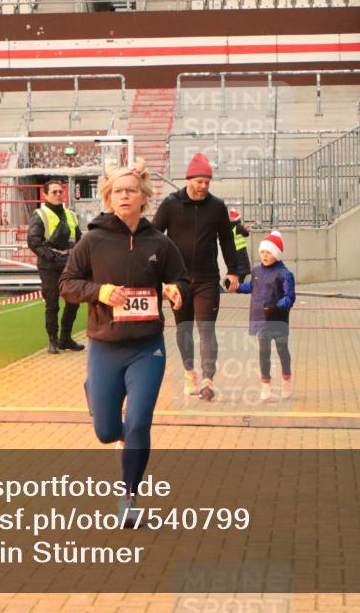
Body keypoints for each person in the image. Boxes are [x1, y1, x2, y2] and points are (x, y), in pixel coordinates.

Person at [60, 160, 189, 527]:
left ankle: (129, 497)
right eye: (117, 191)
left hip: (147, 348)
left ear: (143, 197)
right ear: (108, 197)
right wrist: (99, 291)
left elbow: (181, 279)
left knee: (137, 424)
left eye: (131, 190)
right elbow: (67, 284)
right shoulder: (92, 241)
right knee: (106, 431)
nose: (124, 196)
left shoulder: (159, 243)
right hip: (105, 345)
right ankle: (98, 395)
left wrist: (175, 291)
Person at [151, 153, 239, 401]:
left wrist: (233, 271)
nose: (203, 186)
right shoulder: (171, 204)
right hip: (178, 281)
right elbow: (154, 236)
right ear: (189, 179)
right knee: (184, 330)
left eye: (207, 182)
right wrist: (156, 271)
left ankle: (208, 380)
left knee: (206, 329)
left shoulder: (217, 207)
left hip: (207, 279)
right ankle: (190, 372)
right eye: (199, 181)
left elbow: (227, 240)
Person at [237, 231, 296, 402]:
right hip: (261, 319)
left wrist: (281, 304)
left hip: (278, 320)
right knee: (264, 352)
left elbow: (290, 295)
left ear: (276, 254)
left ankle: (286, 380)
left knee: (282, 350)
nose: (265, 255)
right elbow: (251, 287)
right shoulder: (256, 271)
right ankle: (266, 385)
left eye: (268, 252)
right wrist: (237, 287)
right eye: (262, 252)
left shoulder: (284, 274)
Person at [27, 179, 84, 354]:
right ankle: (53, 340)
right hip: (49, 266)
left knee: (74, 301)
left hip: (69, 264)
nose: (59, 194)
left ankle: (65, 338)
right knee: (52, 304)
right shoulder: (40, 214)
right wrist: (52, 257)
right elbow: (33, 241)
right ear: (45, 195)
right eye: (54, 192)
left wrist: (76, 257)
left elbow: (79, 239)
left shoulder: (71, 215)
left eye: (60, 191)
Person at [229, 209, 252, 284]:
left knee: (237, 271)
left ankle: (235, 285)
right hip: (240, 252)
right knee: (243, 271)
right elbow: (246, 234)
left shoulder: (230, 227)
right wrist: (245, 229)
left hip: (233, 251)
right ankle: (239, 286)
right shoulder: (238, 227)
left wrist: (243, 228)